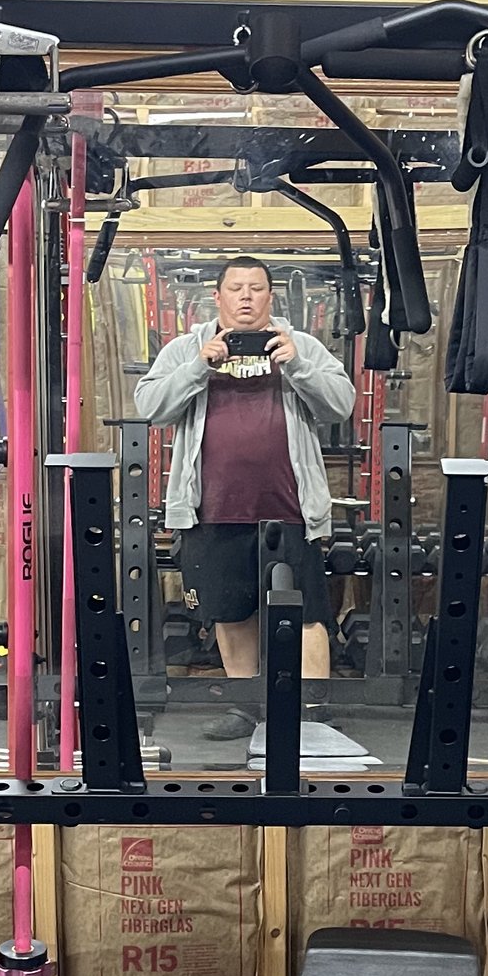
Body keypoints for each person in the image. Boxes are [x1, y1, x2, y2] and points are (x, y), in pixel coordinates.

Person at [134, 257, 357, 734]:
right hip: (213, 510)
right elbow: (151, 408)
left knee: (308, 613)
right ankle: (246, 708)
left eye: (256, 288)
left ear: (269, 296)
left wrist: (295, 364)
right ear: (217, 297)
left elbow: (341, 405)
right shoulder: (185, 349)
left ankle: (312, 712)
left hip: (291, 509)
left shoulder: (303, 346)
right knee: (230, 613)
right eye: (236, 288)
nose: (246, 297)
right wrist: (198, 367)